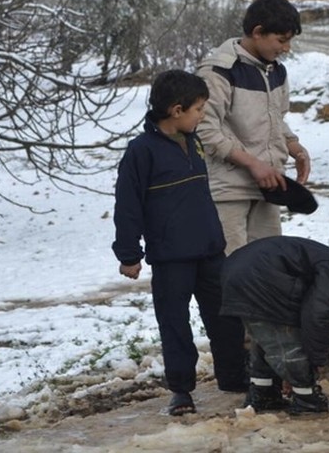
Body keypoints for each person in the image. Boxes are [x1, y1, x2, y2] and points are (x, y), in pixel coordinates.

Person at [112, 70, 249, 416]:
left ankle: (233, 377)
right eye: (199, 109)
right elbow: (128, 206)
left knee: (225, 317)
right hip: (171, 257)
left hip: (210, 251)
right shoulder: (141, 152)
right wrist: (129, 254)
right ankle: (182, 390)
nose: (202, 115)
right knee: (174, 324)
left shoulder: (194, 140)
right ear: (176, 110)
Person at [221, 236, 329, 414]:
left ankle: (264, 393)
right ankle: (307, 399)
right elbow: (318, 316)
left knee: (267, 339)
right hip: (260, 277)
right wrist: (316, 361)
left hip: (241, 273)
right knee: (289, 341)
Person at [197, 0, 311, 255]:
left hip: (269, 187)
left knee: (267, 269)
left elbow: (275, 118)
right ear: (258, 32)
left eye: (289, 41)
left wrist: (294, 147)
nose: (286, 48)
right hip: (228, 191)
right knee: (231, 271)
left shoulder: (276, 70)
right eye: (281, 40)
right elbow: (203, 129)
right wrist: (251, 163)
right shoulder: (219, 71)